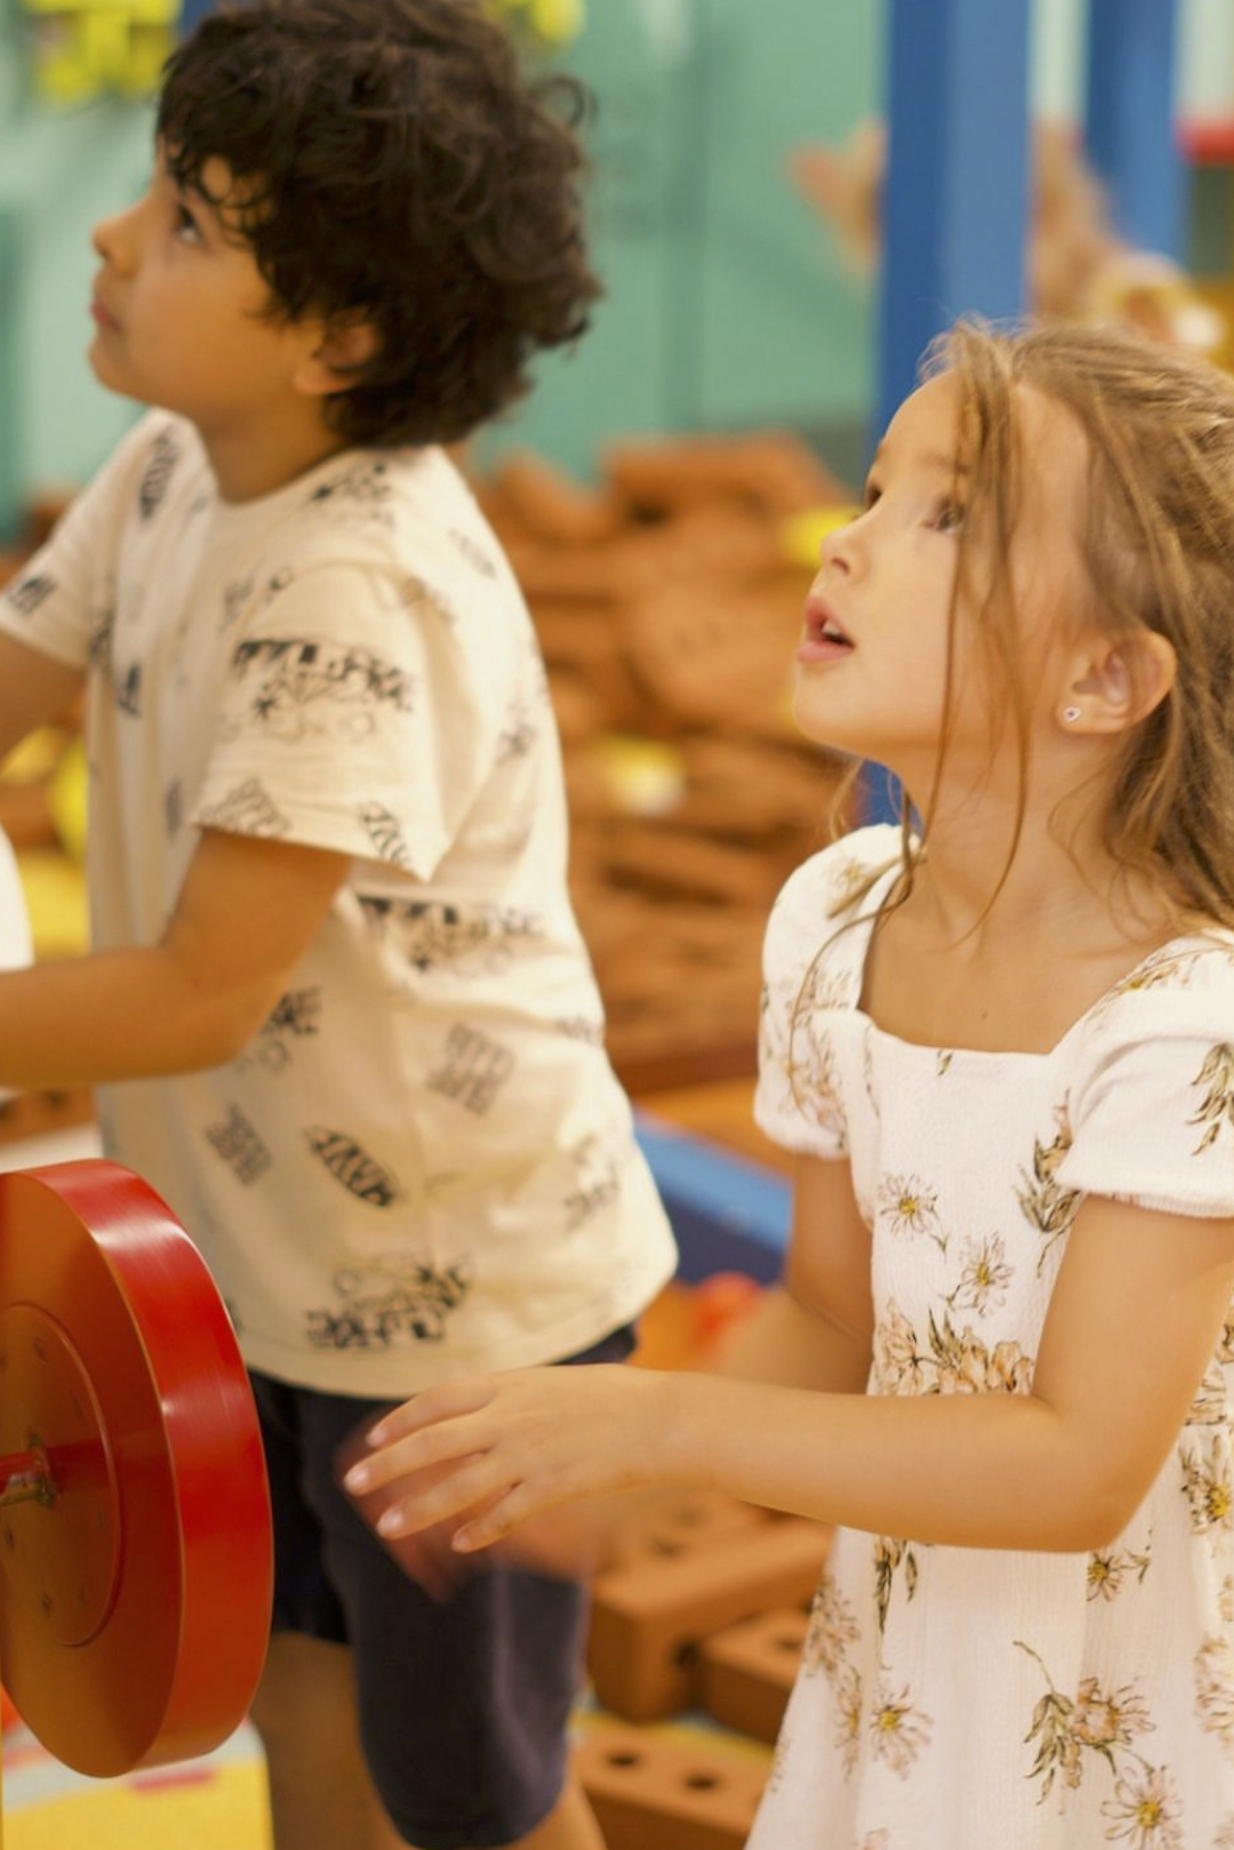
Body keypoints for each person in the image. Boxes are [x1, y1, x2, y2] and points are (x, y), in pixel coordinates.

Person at [345, 319, 1234, 1845]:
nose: (850, 539)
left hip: (1113, 1708)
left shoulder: (1180, 1025)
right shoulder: (836, 919)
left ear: (1105, 677)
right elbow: (831, 1314)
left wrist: (667, 1433)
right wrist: (573, 1472)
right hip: (907, 1661)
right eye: (875, 490)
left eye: (946, 517)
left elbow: (1077, 1463)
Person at [0, 3, 677, 1847]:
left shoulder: (351, 590)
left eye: (194, 224)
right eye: (154, 190)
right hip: (263, 1252)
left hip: (459, 1304)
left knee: (474, 1781)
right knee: (298, 1689)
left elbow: (204, 987)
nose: (115, 238)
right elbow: (14, 684)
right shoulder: (170, 469)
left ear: (342, 339)